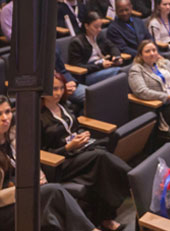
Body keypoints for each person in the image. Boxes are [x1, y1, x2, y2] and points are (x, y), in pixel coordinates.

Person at [0, 96, 96, 231]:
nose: (5, 118)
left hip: (26, 195)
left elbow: (31, 162)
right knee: (53, 193)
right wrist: (21, 190)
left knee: (52, 210)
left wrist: (39, 176)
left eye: (8, 112)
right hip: (3, 209)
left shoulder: (14, 139)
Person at [40, 73, 130, 231]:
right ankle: (132, 180)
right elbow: (41, 152)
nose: (59, 93)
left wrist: (82, 134)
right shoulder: (37, 117)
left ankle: (106, 218)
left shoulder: (64, 106)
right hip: (58, 163)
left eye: (61, 88)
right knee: (100, 157)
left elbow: (74, 128)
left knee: (102, 166)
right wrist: (68, 148)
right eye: (54, 89)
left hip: (77, 152)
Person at [66, 11, 124, 85]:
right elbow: (76, 65)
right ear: (86, 26)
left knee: (123, 71)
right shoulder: (77, 42)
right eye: (96, 27)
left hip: (102, 66)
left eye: (100, 26)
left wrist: (116, 56)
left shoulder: (99, 36)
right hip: (88, 73)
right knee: (120, 72)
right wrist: (100, 66)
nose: (99, 29)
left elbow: (112, 46)